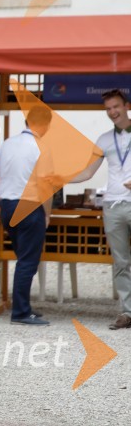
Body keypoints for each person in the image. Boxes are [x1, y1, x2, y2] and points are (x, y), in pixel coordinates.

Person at [69, 89, 131, 329]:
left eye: (116, 106)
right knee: (120, 261)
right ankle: (127, 312)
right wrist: (57, 178)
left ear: (126, 106)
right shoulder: (104, 139)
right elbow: (87, 172)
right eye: (108, 109)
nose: (112, 112)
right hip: (112, 205)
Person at [0, 106, 53, 326]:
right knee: (28, 262)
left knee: (23, 260)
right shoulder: (42, 147)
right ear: (45, 125)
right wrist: (47, 214)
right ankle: (20, 312)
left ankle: (23, 306)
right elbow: (46, 185)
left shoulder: (8, 143)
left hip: (7, 206)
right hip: (30, 206)